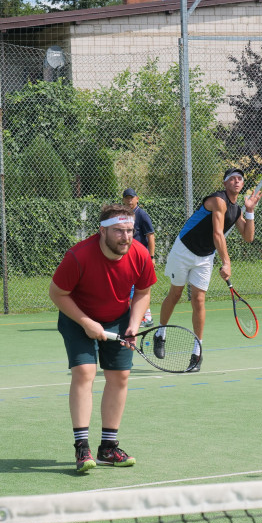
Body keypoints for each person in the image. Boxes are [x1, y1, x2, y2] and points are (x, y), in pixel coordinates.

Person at [49, 203, 157, 474]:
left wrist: (133, 325)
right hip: (77, 317)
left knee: (119, 377)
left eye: (130, 230)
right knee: (85, 372)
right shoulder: (78, 256)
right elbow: (57, 293)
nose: (126, 237)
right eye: (119, 231)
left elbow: (143, 292)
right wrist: (87, 323)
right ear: (102, 232)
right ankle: (82, 448)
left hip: (119, 318)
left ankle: (108, 448)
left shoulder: (140, 254)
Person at [155, 168, 262, 371]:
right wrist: (226, 262)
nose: (236, 181)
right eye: (232, 178)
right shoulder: (218, 200)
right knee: (176, 293)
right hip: (184, 249)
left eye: (240, 178)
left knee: (199, 299)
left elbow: (248, 237)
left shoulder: (236, 209)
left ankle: (197, 352)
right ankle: (160, 333)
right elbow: (217, 234)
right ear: (225, 184)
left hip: (204, 257)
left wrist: (249, 211)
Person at [122, 187, 156, 325]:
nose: (129, 201)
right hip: (127, 257)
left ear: (137, 199)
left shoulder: (141, 215)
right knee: (129, 287)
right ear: (123, 200)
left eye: (132, 198)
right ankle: (135, 316)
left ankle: (147, 317)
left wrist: (151, 257)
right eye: (127, 198)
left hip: (140, 257)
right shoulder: (124, 215)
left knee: (140, 287)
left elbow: (151, 236)